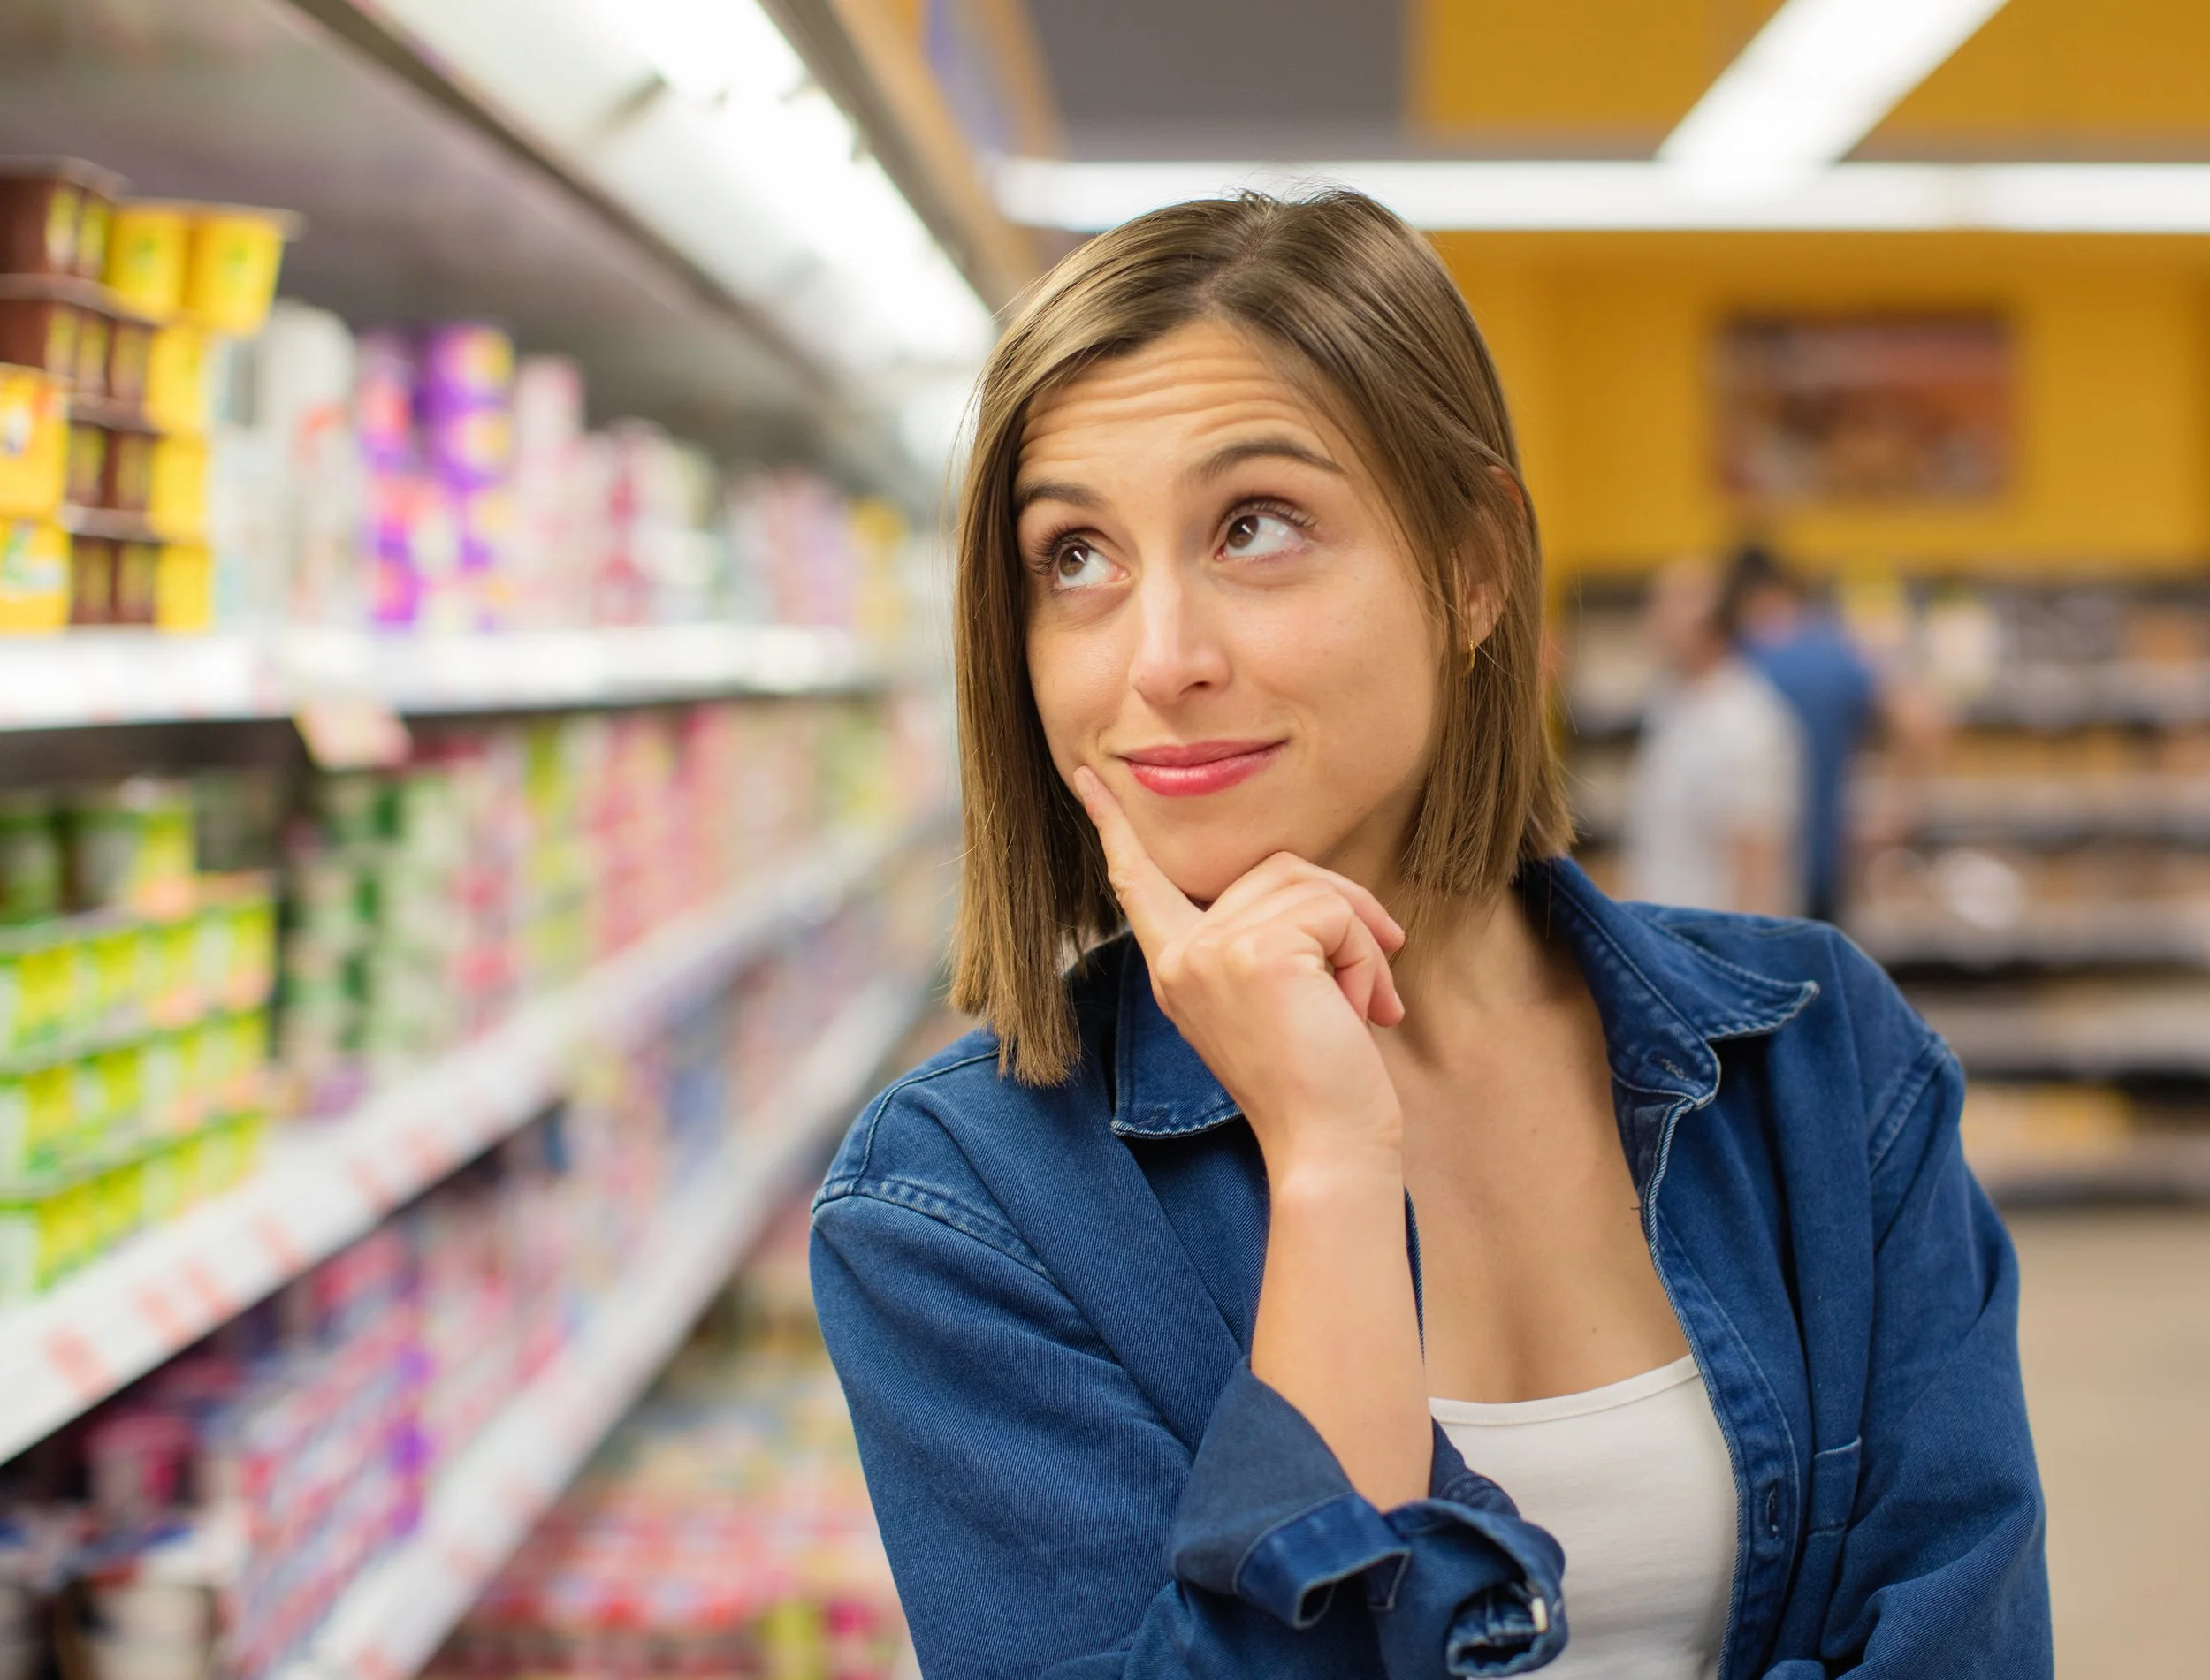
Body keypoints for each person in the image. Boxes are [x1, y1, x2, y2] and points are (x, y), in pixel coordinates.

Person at [811, 192, 2048, 1679]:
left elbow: (1966, 1638)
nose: (1160, 659)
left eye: (1255, 527)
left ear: (1472, 566)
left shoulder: (1818, 1057)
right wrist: (1331, 1172)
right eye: (1074, 556)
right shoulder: (955, 1209)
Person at [1719, 544, 1901, 924]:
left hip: (1759, 880)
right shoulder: (1836, 653)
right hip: (1827, 865)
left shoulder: (1739, 660)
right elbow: (1920, 719)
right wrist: (1895, 814)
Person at [1623, 557, 1806, 917]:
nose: (1651, 624)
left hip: (1710, 951)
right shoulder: (1673, 701)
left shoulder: (1744, 722)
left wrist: (1739, 962)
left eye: (1664, 610)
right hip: (1666, 941)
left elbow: (1756, 858)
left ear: (1704, 627)